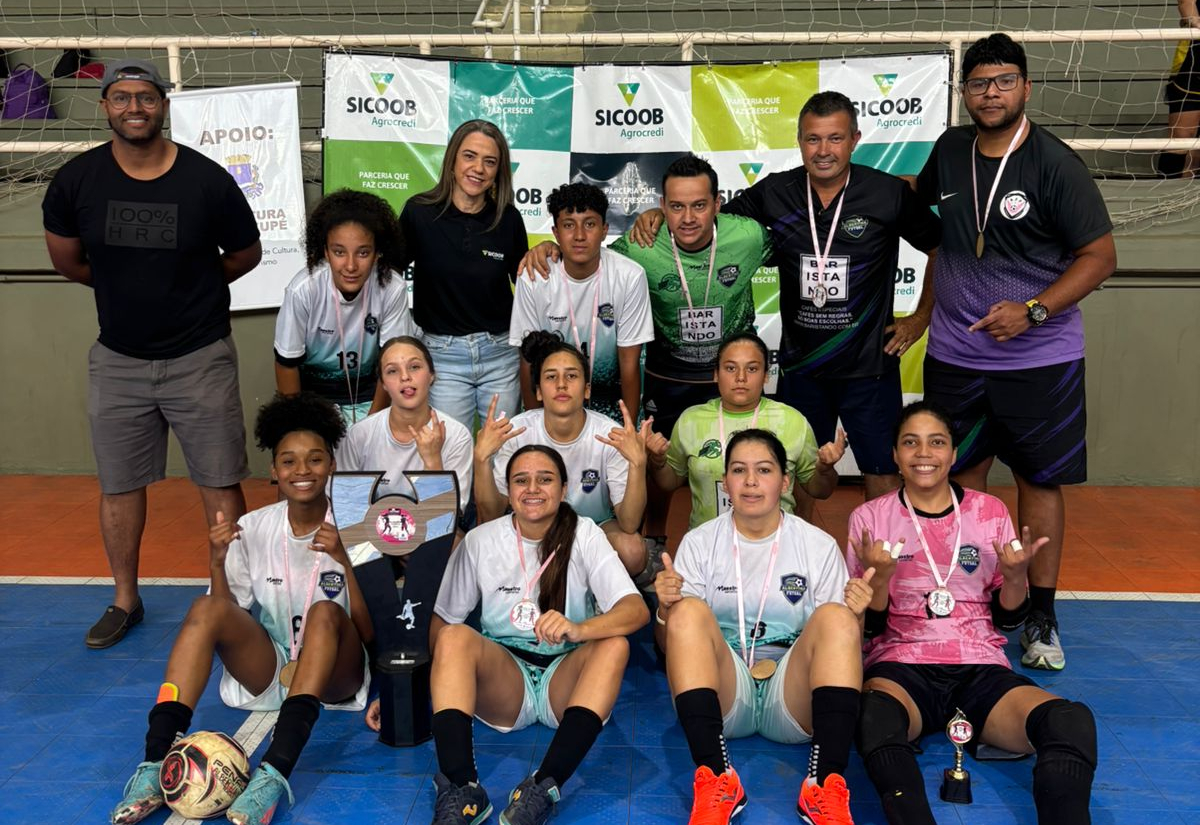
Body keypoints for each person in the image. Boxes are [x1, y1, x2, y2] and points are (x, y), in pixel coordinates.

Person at [41, 58, 263, 648]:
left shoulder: (206, 180)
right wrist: (124, 286)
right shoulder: (76, 181)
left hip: (200, 355)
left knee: (219, 481)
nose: (134, 108)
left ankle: (230, 597)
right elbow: (68, 261)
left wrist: (191, 282)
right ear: (105, 106)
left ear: (163, 105)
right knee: (118, 486)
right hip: (118, 359)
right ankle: (124, 599)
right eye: (122, 98)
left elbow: (245, 253)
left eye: (145, 98)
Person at [914, 33, 1117, 670]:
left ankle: (1040, 617)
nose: (991, 92)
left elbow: (1101, 257)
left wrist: (1033, 310)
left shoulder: (1055, 164)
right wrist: (922, 313)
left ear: (1026, 87)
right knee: (959, 478)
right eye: (979, 83)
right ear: (964, 93)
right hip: (955, 352)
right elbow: (934, 236)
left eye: (1003, 81)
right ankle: (967, 605)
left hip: (1039, 358)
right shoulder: (949, 151)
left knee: (1038, 481)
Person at [632, 92, 942, 504]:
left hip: (870, 365)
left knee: (882, 473)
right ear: (799, 141)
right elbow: (711, 222)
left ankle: (875, 563)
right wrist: (656, 216)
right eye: (813, 139)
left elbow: (940, 247)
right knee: (795, 475)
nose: (824, 150)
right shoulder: (775, 193)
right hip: (802, 368)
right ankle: (803, 563)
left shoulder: (887, 193)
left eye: (835, 138)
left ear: (855, 139)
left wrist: (920, 317)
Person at [110, 393, 373, 825]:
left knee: (325, 613)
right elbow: (225, 615)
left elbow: (368, 633)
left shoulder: (357, 525)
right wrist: (216, 562)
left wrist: (345, 558)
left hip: (335, 673)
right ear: (274, 470)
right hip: (270, 664)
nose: (302, 471)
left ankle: (272, 776)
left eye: (314, 459)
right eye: (289, 461)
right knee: (205, 607)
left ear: (332, 465)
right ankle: (154, 763)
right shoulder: (253, 527)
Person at [368, 444, 648, 825]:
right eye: (521, 480)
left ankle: (543, 785)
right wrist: (403, 690)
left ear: (564, 488)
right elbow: (440, 622)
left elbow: (636, 610)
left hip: (565, 677)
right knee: (453, 637)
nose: (533, 488)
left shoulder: (585, 534)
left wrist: (579, 628)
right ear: (508, 489)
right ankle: (462, 787)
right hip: (505, 680)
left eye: (545, 479)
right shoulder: (482, 539)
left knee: (614, 644)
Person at [847, 400, 1097, 825]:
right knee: (872, 718)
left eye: (936, 442)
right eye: (911, 442)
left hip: (979, 664)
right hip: (902, 665)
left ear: (954, 453)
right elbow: (867, 628)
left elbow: (1007, 621)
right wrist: (881, 581)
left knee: (1069, 721)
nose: (924, 453)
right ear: (894, 454)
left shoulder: (989, 512)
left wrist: (1017, 577)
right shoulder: (871, 518)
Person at [654, 429, 872, 825]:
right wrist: (665, 610)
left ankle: (823, 785)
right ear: (726, 481)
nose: (751, 481)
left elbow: (840, 649)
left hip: (791, 697)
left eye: (764, 470)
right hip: (726, 694)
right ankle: (717, 778)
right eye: (739, 470)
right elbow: (669, 647)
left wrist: (856, 616)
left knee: (838, 618)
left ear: (785, 481)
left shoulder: (817, 545)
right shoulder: (700, 543)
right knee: (686, 612)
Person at [521, 153, 769, 438]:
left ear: (717, 205)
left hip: (732, 374)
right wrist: (551, 249)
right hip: (668, 377)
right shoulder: (641, 245)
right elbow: (589, 255)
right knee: (660, 470)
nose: (688, 218)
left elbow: (793, 253)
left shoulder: (749, 236)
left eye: (699, 206)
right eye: (676, 206)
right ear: (662, 205)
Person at [474, 332, 651, 576]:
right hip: (531, 525)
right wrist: (481, 460)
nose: (561, 384)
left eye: (571, 375)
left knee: (632, 551)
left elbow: (630, 523)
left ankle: (597, 595)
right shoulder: (516, 431)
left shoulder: (610, 434)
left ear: (587, 389)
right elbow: (492, 513)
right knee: (481, 544)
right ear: (537, 392)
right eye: (551, 377)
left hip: (593, 525)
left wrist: (638, 464)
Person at [399, 119, 528, 429]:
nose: (478, 168)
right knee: (449, 457)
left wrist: (547, 249)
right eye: (469, 156)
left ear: (499, 171)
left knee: (502, 457)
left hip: (500, 355)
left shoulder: (508, 219)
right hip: (442, 358)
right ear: (453, 160)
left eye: (490, 161)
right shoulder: (418, 213)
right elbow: (386, 279)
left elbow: (526, 286)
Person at [647, 332, 844, 528]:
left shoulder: (792, 421)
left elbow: (820, 490)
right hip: (709, 547)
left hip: (775, 544)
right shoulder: (691, 421)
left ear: (766, 375)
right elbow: (669, 482)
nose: (740, 377)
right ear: (716, 374)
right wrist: (657, 462)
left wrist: (825, 469)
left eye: (752, 369)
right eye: (730, 368)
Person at [509, 182, 654, 421]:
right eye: (568, 225)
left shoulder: (630, 276)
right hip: (554, 401)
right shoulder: (534, 276)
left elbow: (630, 364)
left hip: (610, 401)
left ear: (605, 230)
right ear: (555, 233)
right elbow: (528, 361)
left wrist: (629, 428)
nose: (579, 236)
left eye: (589, 224)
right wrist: (535, 425)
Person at [274, 189, 417, 425]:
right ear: (325, 252)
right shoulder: (303, 290)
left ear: (378, 252)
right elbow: (286, 364)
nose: (350, 265)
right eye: (339, 252)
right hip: (313, 398)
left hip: (373, 395)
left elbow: (394, 364)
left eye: (363, 252)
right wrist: (300, 424)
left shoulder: (392, 288)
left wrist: (373, 423)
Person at [339, 335, 473, 509]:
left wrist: (433, 462)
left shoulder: (457, 435)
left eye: (415, 367)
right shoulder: (359, 435)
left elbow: (446, 518)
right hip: (369, 532)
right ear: (384, 384)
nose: (405, 377)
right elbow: (346, 507)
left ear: (432, 375)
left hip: (432, 532)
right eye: (392, 371)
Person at [1159, 0, 1200, 177]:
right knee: (1182, 135)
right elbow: (1186, 4)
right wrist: (1195, 22)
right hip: (1195, 55)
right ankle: (1166, 193)